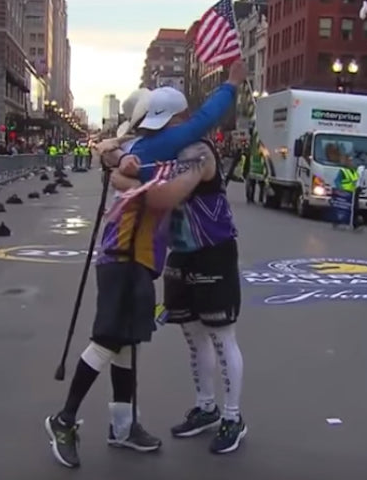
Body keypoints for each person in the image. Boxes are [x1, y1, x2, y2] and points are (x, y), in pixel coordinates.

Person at [44, 61, 244, 470]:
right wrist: (231, 85)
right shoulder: (157, 149)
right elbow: (160, 183)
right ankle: (63, 420)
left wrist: (118, 163)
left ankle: (122, 427)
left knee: (126, 346)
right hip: (125, 258)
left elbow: (116, 153)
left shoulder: (145, 149)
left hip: (141, 261)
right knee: (107, 340)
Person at [108, 63, 247, 455]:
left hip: (213, 252)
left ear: (180, 120)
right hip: (180, 254)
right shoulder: (163, 149)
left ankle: (233, 417)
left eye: (163, 126)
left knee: (221, 337)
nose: (158, 134)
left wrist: (123, 179)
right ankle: (206, 408)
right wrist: (115, 158)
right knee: (192, 335)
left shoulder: (198, 153)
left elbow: (168, 195)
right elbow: (125, 153)